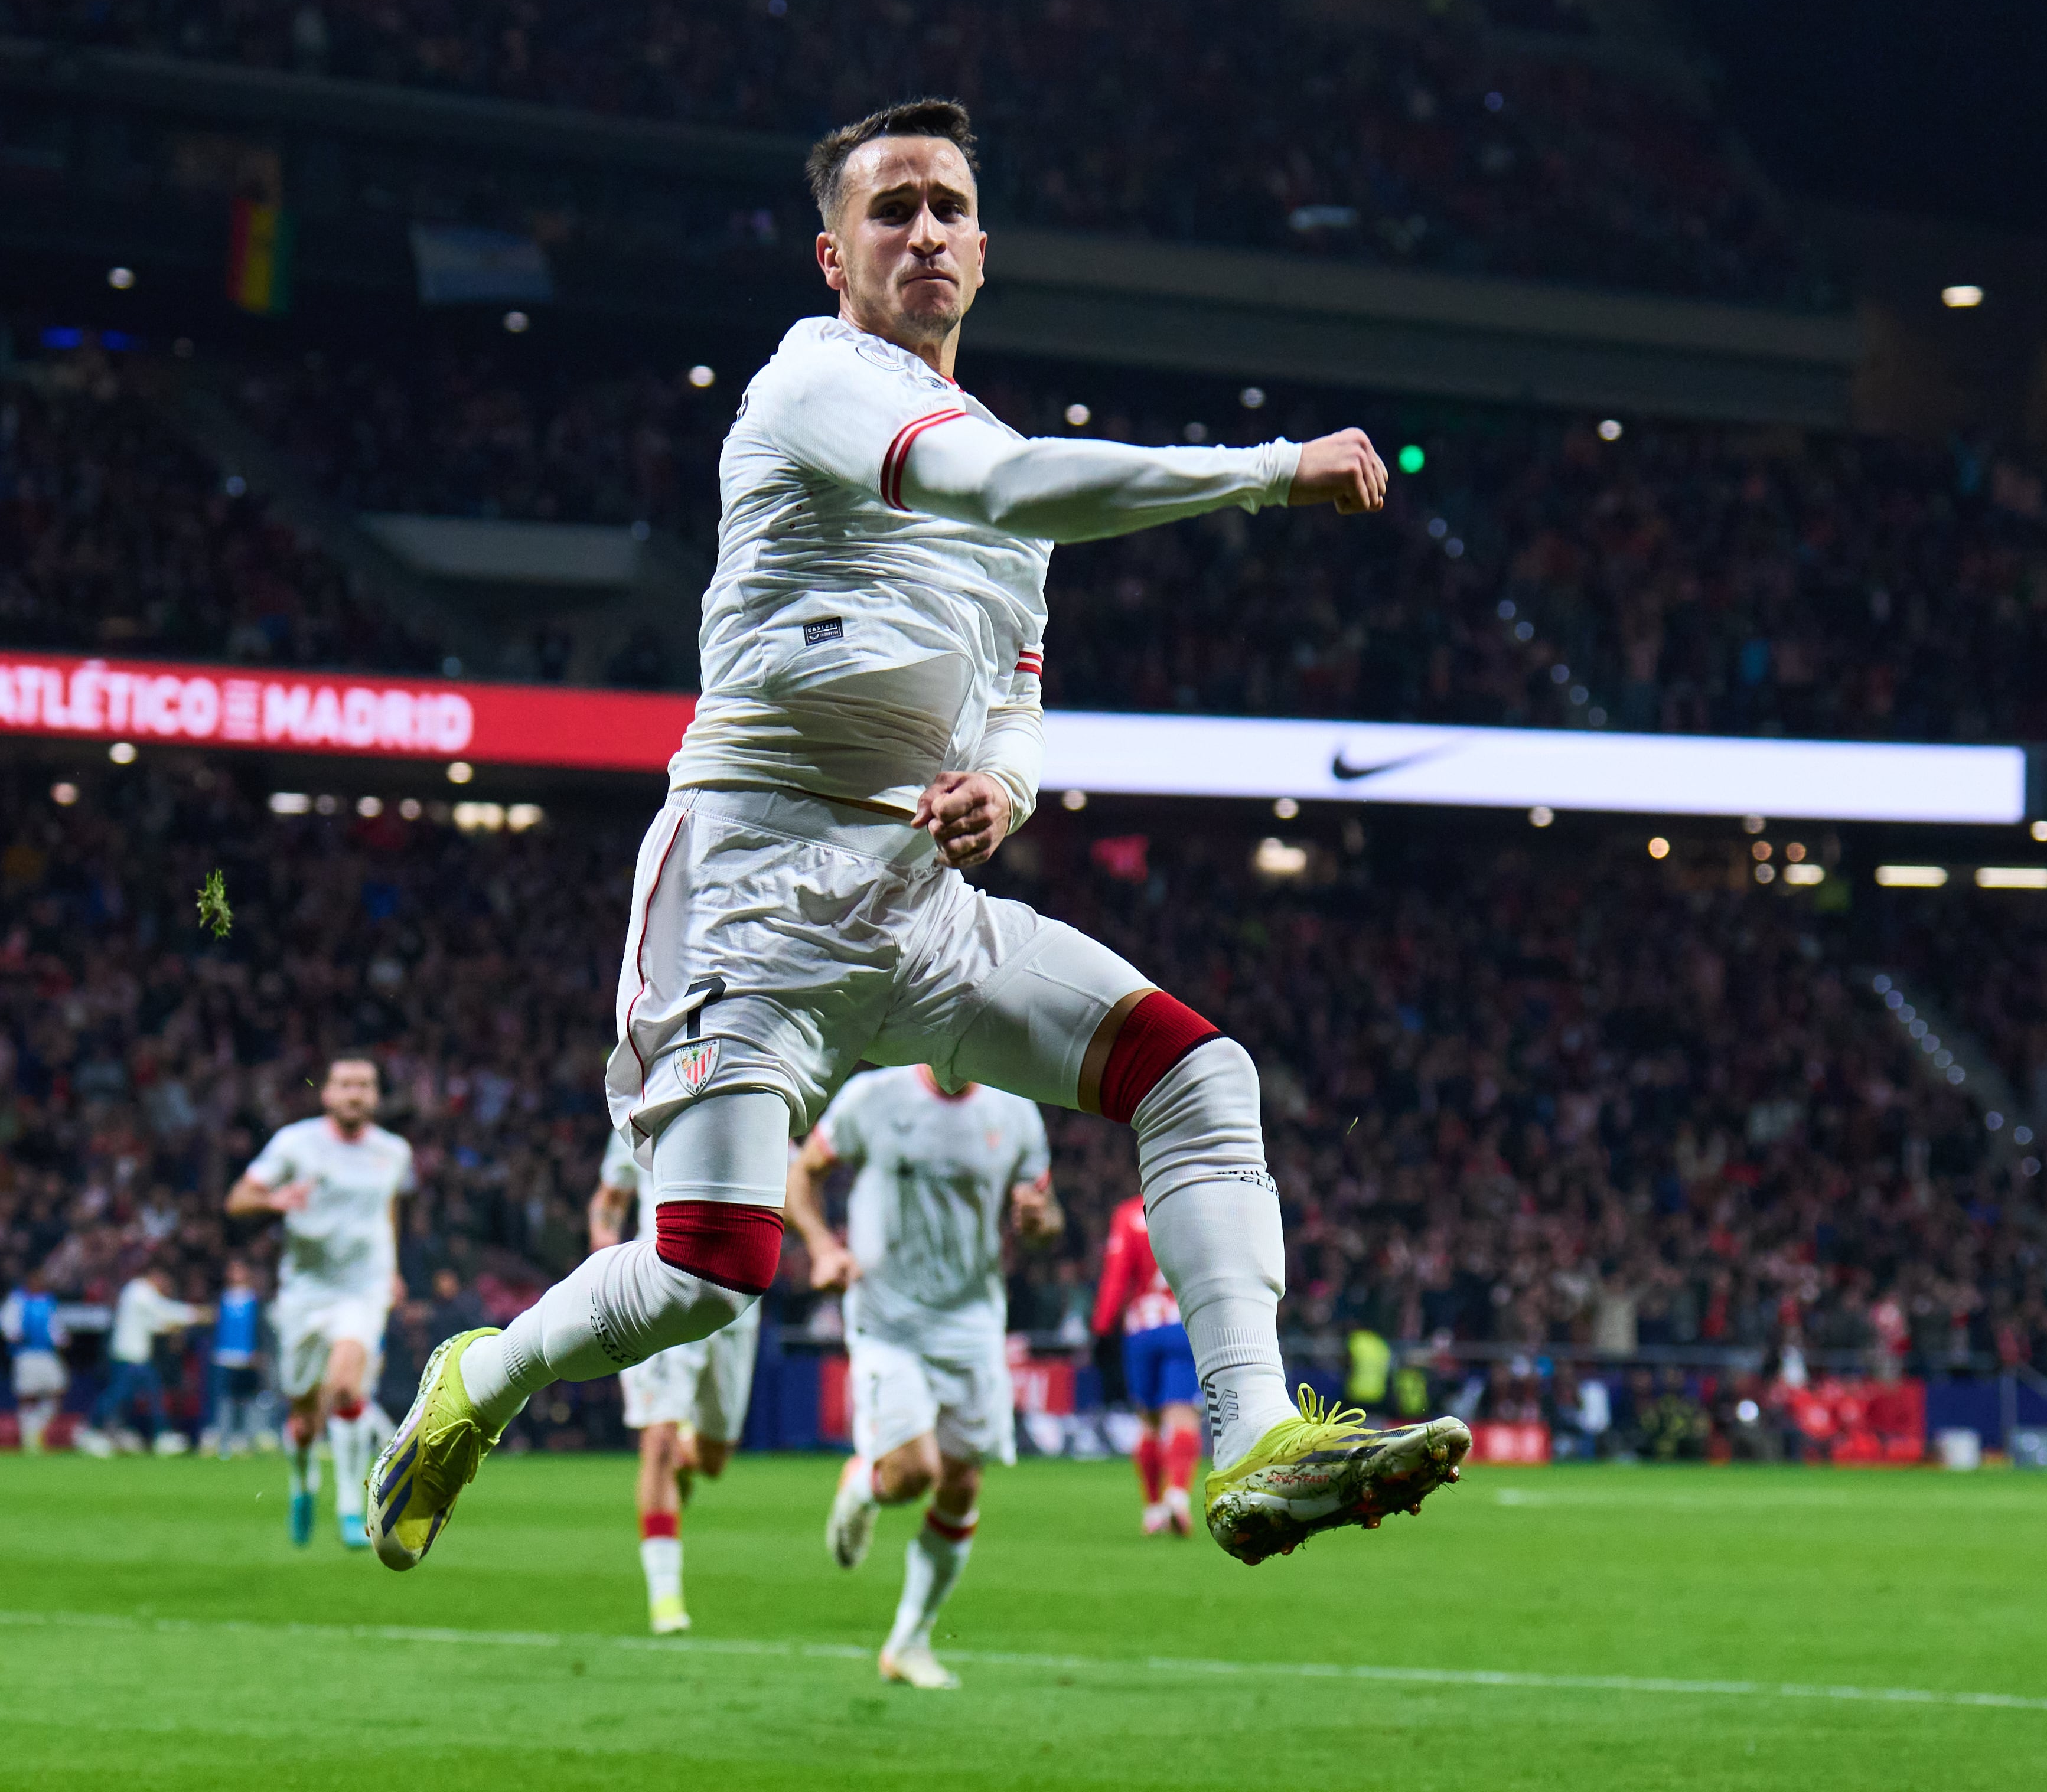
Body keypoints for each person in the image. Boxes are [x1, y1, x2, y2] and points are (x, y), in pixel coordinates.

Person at [371, 96, 1468, 1573]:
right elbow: (1007, 486)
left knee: (1197, 1074)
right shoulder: (816, 384)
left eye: (948, 206)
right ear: (834, 256)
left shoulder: (1007, 484)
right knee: (711, 1274)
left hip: (921, 904)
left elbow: (1015, 698)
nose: (926, 231)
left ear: (984, 247)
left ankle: (1257, 1439)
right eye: (892, 209)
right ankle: (479, 1378)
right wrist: (1267, 467)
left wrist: (1004, 789)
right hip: (753, 892)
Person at [784, 1066, 1058, 1688]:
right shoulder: (874, 1099)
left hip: (972, 1323)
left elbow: (1045, 1213)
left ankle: (908, 1642)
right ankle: (866, 1482)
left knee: (961, 1483)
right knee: (914, 1473)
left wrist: (1043, 1224)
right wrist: (823, 1247)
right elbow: (802, 1174)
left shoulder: (1015, 1113)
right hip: (887, 1317)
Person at [228, 1056, 413, 1549]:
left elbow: (388, 1210)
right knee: (304, 1415)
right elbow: (238, 1198)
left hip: (363, 1289)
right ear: (327, 1093)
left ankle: (351, 1504)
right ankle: (302, 1482)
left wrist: (391, 1270)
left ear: (376, 1096)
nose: (355, 1094)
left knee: (347, 1389)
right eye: (346, 1085)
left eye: (366, 1085)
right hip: (306, 1292)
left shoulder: (393, 1151)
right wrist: (273, 1201)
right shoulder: (296, 1143)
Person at [591, 1125, 761, 1634]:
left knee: (713, 1459)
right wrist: (605, 1248)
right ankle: (666, 1598)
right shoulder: (647, 1109)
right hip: (664, 1289)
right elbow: (610, 1197)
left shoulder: (755, 1099)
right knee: (659, 1436)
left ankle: (689, 1454)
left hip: (739, 1295)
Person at [1093, 1194, 1199, 1537]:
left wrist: (1102, 1324)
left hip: (1141, 1328)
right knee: (1182, 1414)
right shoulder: (1194, 1206)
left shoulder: (1128, 1214)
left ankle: (1153, 1511)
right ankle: (1178, 1498)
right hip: (1181, 1322)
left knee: (1148, 1422)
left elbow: (1117, 1274)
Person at [85, 1262, 201, 1457]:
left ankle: (158, 1435)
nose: (166, 1287)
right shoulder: (139, 1291)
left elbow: (156, 1323)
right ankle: (91, 1430)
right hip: (128, 1355)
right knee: (118, 1395)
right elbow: (162, 1311)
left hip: (138, 1355)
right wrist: (195, 1314)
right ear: (156, 1275)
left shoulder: (139, 1293)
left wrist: (173, 1326)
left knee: (150, 1393)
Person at [0, 1269, 66, 1455]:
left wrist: (61, 1339)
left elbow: (56, 1327)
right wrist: (17, 1336)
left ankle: (37, 1428)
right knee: (28, 1396)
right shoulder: (17, 1300)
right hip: (26, 1354)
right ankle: (29, 1437)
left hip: (47, 1353)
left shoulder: (49, 1301)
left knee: (58, 1391)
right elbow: (8, 1327)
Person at [205, 1259, 265, 1460]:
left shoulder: (254, 1299)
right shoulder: (222, 1298)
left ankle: (249, 1440)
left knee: (247, 1400)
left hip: (247, 1357)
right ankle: (224, 1442)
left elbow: (260, 1328)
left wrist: (259, 1351)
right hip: (224, 1357)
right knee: (225, 1400)